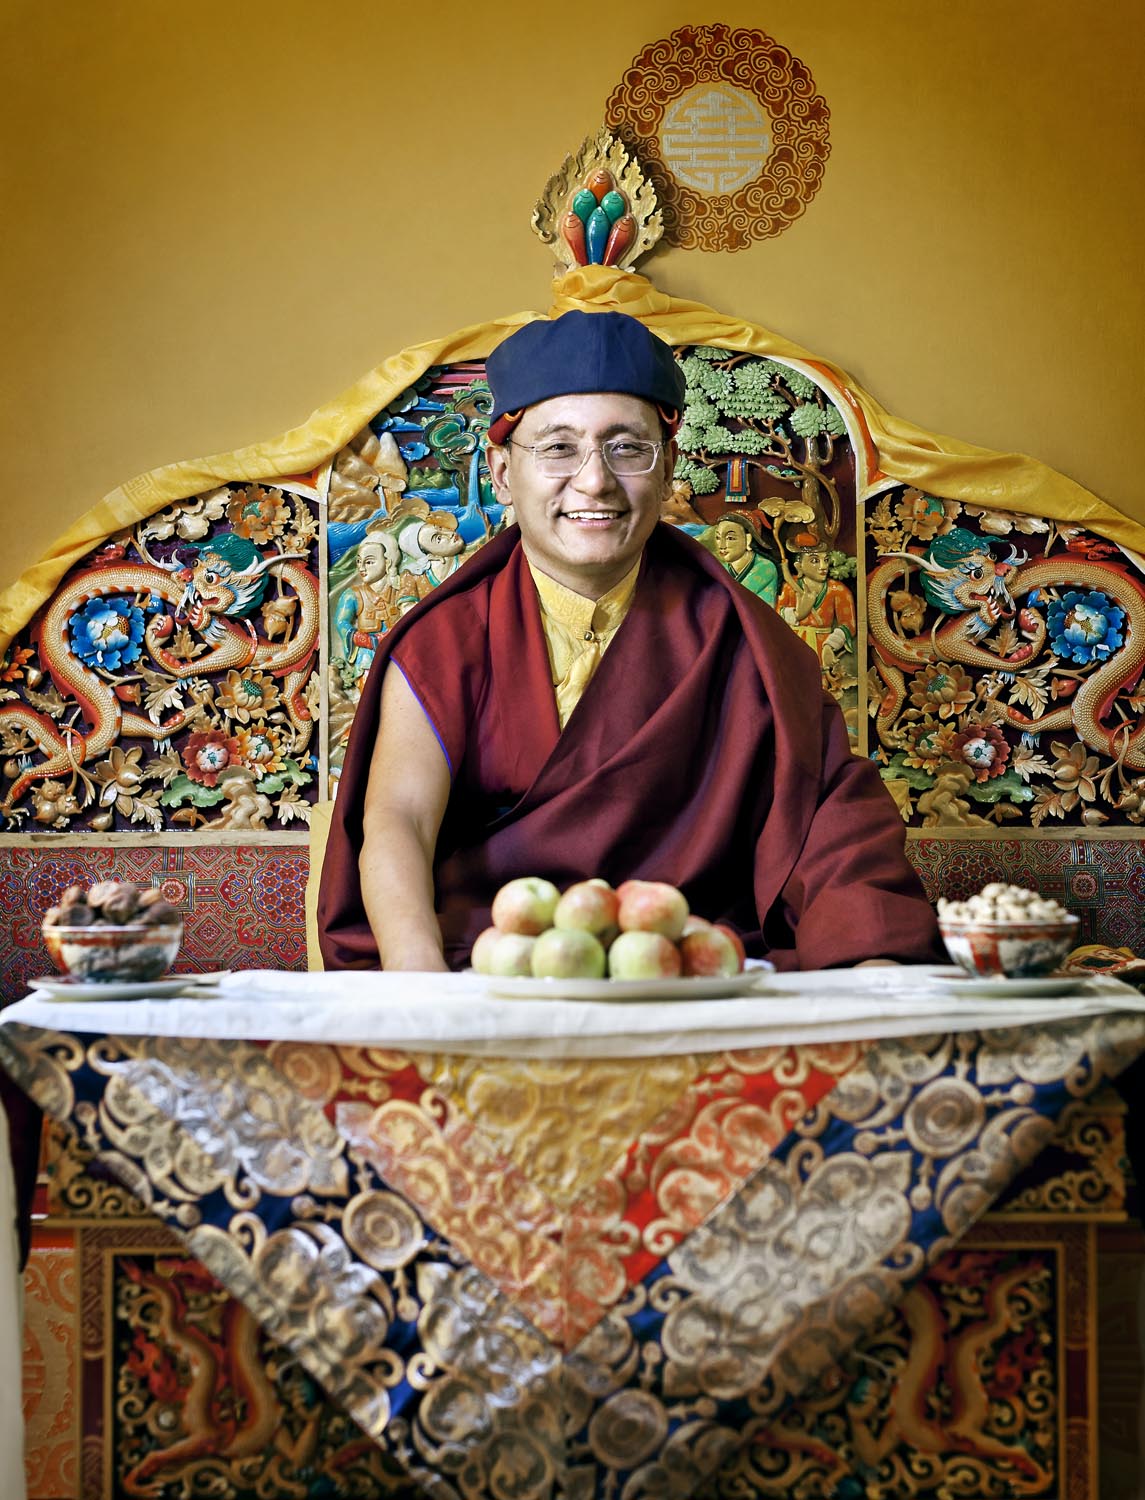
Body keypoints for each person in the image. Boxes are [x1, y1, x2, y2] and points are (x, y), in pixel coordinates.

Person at [318, 310, 942, 973]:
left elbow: (829, 819)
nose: (594, 481)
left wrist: (873, 960)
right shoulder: (448, 639)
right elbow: (399, 820)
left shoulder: (740, 640)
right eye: (557, 448)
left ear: (669, 465)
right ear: (502, 473)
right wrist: (425, 992)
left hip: (690, 976)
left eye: (627, 448)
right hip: (493, 976)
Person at [776, 531, 856, 670]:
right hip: (794, 647)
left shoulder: (837, 590)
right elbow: (776, 615)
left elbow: (848, 625)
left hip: (822, 646)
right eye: (814, 561)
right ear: (798, 566)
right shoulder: (789, 587)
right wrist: (797, 614)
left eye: (826, 560)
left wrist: (830, 646)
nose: (823, 566)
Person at [710, 512, 780, 606]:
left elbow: (732, 598)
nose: (721, 545)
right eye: (718, 538)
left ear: (748, 539)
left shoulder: (766, 567)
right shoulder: (721, 568)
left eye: (730, 538)